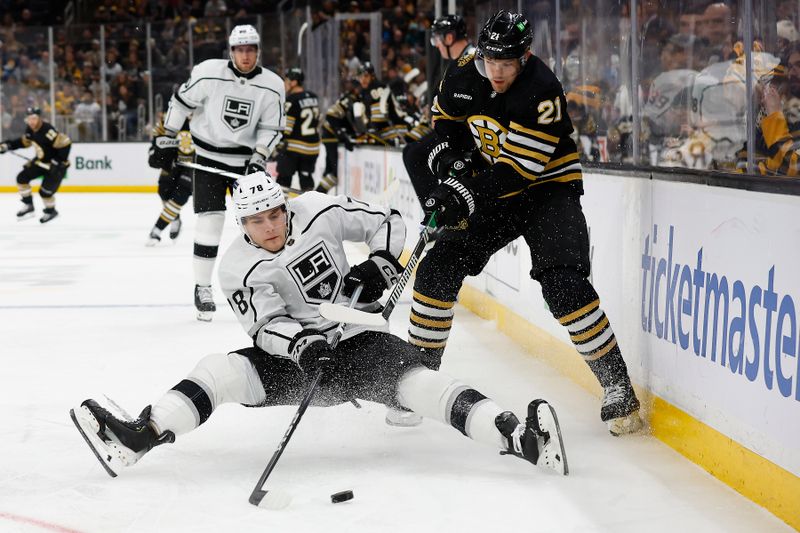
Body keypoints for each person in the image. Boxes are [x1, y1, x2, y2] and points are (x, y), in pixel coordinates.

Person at [69, 171, 568, 479]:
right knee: (217, 371)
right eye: (256, 221)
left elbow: (389, 220)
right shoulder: (235, 267)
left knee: (422, 385)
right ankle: (140, 437)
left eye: (274, 214)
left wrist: (380, 264)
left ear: (285, 206)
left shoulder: (317, 208)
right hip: (300, 364)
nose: (270, 226)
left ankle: (520, 440)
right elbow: (265, 328)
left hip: (358, 340)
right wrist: (305, 345)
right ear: (241, 225)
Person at [405, 10, 643, 436]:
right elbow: (446, 125)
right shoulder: (463, 71)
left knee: (563, 284)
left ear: (525, 57)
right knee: (437, 269)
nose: (495, 72)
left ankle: (617, 386)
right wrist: (451, 164)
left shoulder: (543, 90)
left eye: (507, 64)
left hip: (547, 188)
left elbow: (518, 172)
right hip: (492, 184)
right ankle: (417, 381)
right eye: (489, 62)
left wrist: (464, 191)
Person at [151, 24, 285, 321]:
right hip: (208, 159)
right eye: (240, 50)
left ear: (258, 51)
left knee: (260, 224)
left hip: (245, 165)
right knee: (211, 220)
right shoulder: (208, 72)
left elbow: (272, 128)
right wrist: (167, 136)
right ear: (231, 51)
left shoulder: (273, 84)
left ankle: (270, 283)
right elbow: (181, 103)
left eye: (251, 49)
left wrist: (259, 156)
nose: (246, 55)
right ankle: (202, 288)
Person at [403, 14, 475, 209]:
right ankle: (441, 209)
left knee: (415, 155)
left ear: (449, 38)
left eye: (437, 39)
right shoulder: (461, 60)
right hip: (463, 127)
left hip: (472, 131)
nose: (436, 45)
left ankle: (438, 210)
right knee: (413, 150)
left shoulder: (469, 60)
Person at [0, 107, 71, 223]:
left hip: (56, 167)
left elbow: (66, 143)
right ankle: (29, 205)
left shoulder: (48, 131)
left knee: (44, 192)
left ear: (39, 118)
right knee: (21, 178)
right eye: (29, 119)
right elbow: (24, 142)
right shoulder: (30, 129)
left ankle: (51, 211)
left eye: (34, 118)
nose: (31, 121)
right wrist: (8, 146)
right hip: (40, 162)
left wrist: (58, 162)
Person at [145, 119, 194, 246]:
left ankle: (156, 231)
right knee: (163, 191)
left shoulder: (204, 116)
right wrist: (158, 154)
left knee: (180, 196)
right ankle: (175, 218)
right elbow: (155, 147)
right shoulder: (167, 120)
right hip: (172, 163)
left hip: (194, 166)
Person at [273, 67, 321, 192]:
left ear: (294, 82)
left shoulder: (291, 100)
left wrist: (277, 145)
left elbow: (287, 129)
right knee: (306, 179)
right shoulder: (313, 97)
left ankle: (280, 208)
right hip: (313, 148)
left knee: (284, 178)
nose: (284, 83)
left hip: (294, 148)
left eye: (286, 80)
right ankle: (313, 207)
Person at [316, 78, 361, 194]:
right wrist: (345, 137)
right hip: (330, 135)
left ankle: (319, 194)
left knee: (329, 170)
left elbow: (344, 119)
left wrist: (348, 135)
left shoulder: (348, 98)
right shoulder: (351, 99)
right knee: (334, 173)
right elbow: (336, 117)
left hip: (328, 134)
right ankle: (318, 194)